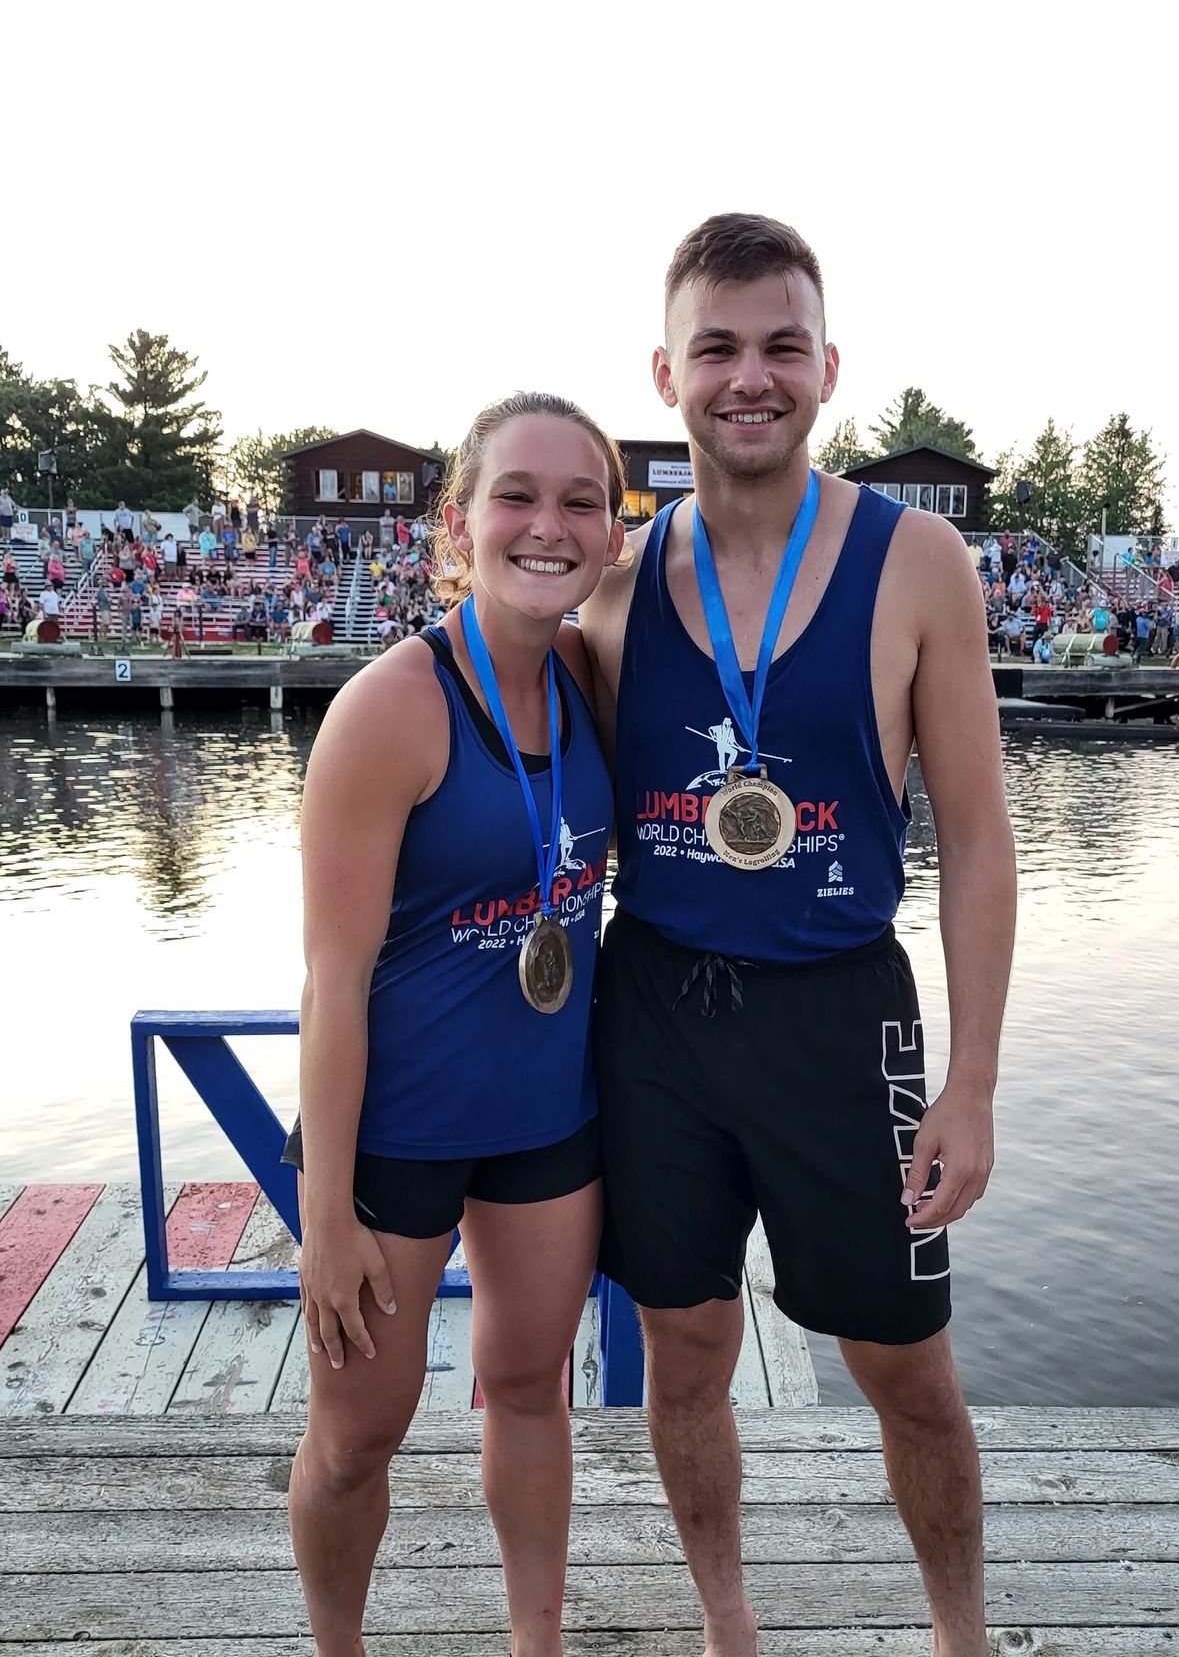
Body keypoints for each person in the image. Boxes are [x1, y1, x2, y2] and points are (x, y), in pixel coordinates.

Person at [579, 214, 1014, 1657]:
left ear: (829, 367)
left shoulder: (918, 561)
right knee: (685, 1352)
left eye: (779, 346)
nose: (747, 376)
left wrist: (973, 1083)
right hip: (659, 1011)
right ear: (666, 373)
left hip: (840, 1010)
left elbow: (981, 838)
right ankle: (728, 1627)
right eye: (717, 347)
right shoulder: (612, 586)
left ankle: (959, 1634)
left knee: (910, 1371)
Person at [283, 392, 625, 1657]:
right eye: (517, 496)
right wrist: (324, 1217)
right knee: (358, 1429)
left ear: (610, 528)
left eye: (579, 500)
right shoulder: (391, 709)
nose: (547, 524)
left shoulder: (595, 677)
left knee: (531, 1389)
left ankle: (535, 1641)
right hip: (394, 1137)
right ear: (457, 524)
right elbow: (332, 978)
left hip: (547, 1117)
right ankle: (339, 1645)